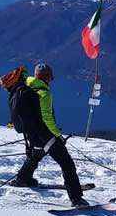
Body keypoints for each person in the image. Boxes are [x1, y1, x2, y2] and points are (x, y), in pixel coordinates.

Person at [7, 63, 88, 207]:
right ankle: (76, 199)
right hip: (45, 134)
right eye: (50, 77)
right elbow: (47, 118)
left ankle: (23, 179)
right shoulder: (44, 93)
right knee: (67, 164)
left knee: (36, 154)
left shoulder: (27, 84)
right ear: (48, 78)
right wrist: (58, 136)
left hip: (31, 134)